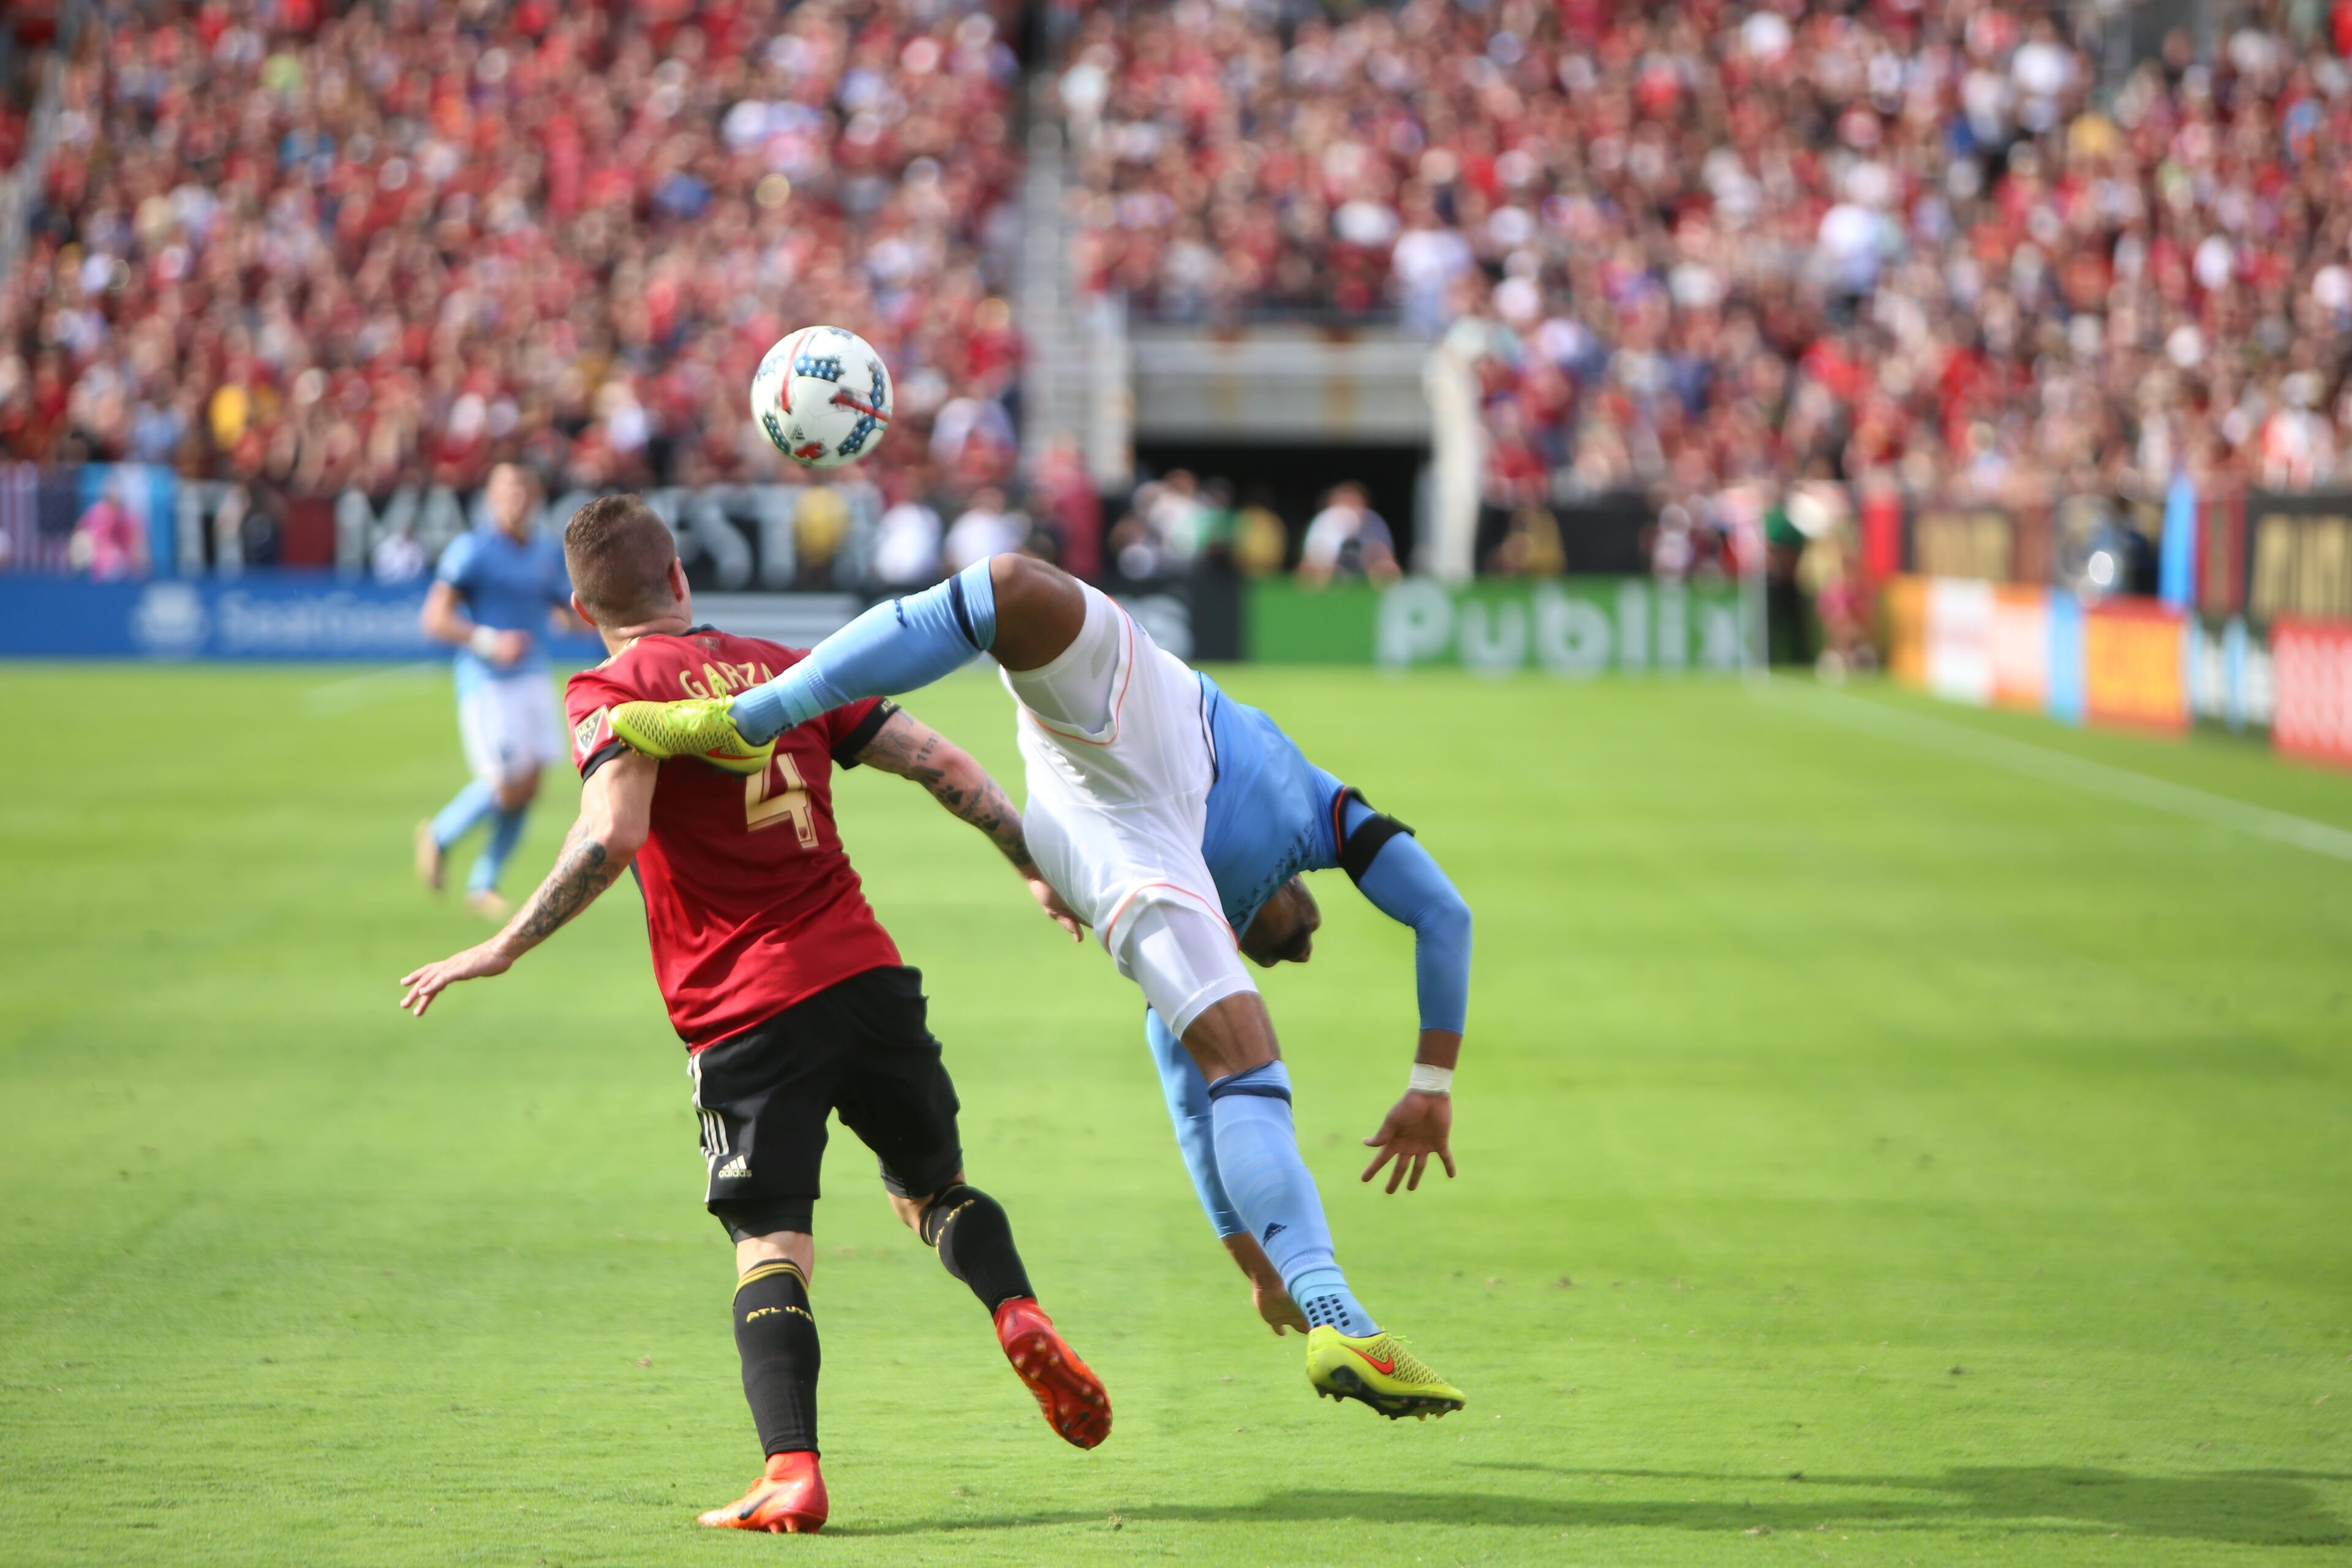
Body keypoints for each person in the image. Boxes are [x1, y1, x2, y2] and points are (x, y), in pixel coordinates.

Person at [606, 555, 1468, 1420]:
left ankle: (1335, 1315)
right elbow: (1441, 912)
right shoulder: (1325, 813)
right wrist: (1431, 1084)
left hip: (1105, 834)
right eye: (1278, 937)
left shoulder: (1232, 876)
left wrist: (1256, 1265)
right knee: (1010, 590)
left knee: (1237, 1062)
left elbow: (1195, 1111)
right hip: (1137, 753)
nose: (1299, 949)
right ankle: (750, 717)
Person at [395, 497, 1110, 1535]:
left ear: (581, 606)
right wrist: (1033, 869)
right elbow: (946, 766)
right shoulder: (790, 661)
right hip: (866, 976)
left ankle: (793, 1472)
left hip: (743, 1014)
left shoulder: (614, 686)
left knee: (771, 1244)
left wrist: (502, 946)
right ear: (680, 577)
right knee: (933, 1193)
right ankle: (1018, 1308)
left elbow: (611, 836)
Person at [414, 464, 576, 919]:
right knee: (504, 784)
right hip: (488, 682)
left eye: (524, 488)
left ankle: (484, 881)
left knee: (531, 784)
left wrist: (582, 617)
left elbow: (564, 608)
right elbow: (435, 619)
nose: (516, 498)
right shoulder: (473, 550)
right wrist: (490, 641)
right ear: (490, 497)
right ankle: (441, 835)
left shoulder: (544, 551)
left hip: (532, 675)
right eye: (507, 489)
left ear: (536, 496)